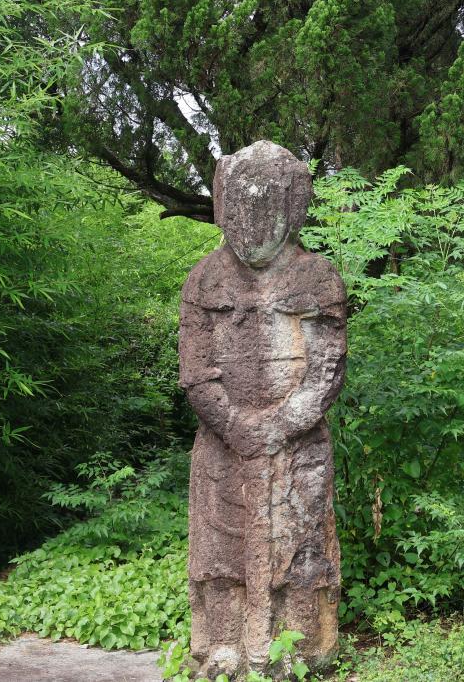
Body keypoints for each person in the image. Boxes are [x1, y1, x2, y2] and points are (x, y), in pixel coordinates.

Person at [179, 141, 345, 679]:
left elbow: (327, 369)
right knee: (220, 549)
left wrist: (281, 424)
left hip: (297, 442)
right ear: (222, 203)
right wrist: (232, 424)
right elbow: (195, 370)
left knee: (300, 547)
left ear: (294, 205)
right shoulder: (205, 279)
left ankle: (298, 646)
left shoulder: (318, 278)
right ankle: (224, 644)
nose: (251, 222)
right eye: (240, 205)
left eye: (267, 204)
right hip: (222, 441)